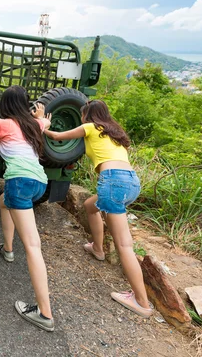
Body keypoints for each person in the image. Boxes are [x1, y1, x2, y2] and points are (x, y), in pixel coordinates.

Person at [43, 99, 153, 318]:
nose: (82, 118)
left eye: (83, 114)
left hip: (113, 182)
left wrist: (43, 124)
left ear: (87, 115)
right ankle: (98, 249)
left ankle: (141, 302)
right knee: (89, 206)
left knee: (124, 245)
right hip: (131, 182)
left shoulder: (90, 127)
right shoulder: (115, 132)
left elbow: (56, 137)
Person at [0, 85, 55, 333]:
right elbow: (44, 126)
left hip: (20, 181)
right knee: (3, 200)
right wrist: (40, 117)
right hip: (39, 182)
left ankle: (44, 313)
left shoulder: (2, 124)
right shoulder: (32, 125)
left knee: (33, 246)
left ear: (5, 105)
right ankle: (7, 249)